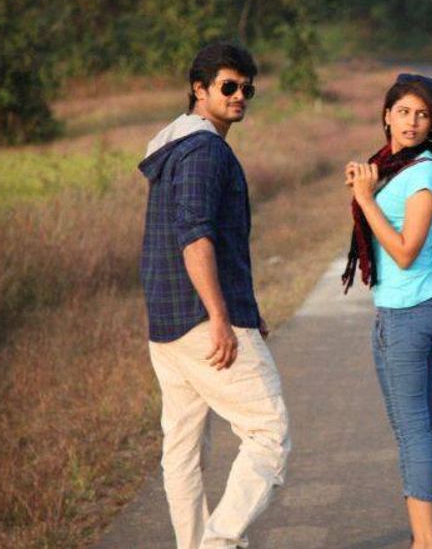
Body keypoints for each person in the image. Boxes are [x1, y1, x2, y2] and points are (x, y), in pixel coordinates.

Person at [138, 42, 290, 549]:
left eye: (247, 88)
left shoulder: (174, 146)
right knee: (269, 433)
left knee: (183, 451)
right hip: (202, 322)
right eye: (228, 86)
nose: (239, 96)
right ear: (198, 89)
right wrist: (222, 317)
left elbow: (213, 242)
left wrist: (248, 308)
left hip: (168, 325)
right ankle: (218, 543)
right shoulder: (205, 150)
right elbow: (195, 235)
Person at [342, 73, 432, 549]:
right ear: (387, 116)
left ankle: (424, 541)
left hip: (410, 313)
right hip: (412, 308)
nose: (412, 122)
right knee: (421, 421)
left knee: (411, 428)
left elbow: (402, 251)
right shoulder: (393, 165)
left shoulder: (422, 174)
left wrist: (364, 199)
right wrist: (367, 187)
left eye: (422, 115)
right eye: (403, 112)